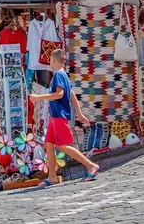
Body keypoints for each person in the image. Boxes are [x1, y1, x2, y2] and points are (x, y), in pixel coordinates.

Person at [29, 48, 100, 188]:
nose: (49, 62)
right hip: (55, 116)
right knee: (49, 144)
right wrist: (79, 114)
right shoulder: (63, 76)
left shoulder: (58, 75)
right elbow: (72, 95)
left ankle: (91, 166)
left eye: (50, 60)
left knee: (62, 145)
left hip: (59, 116)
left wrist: (38, 98)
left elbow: (59, 94)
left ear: (54, 60)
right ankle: (52, 176)